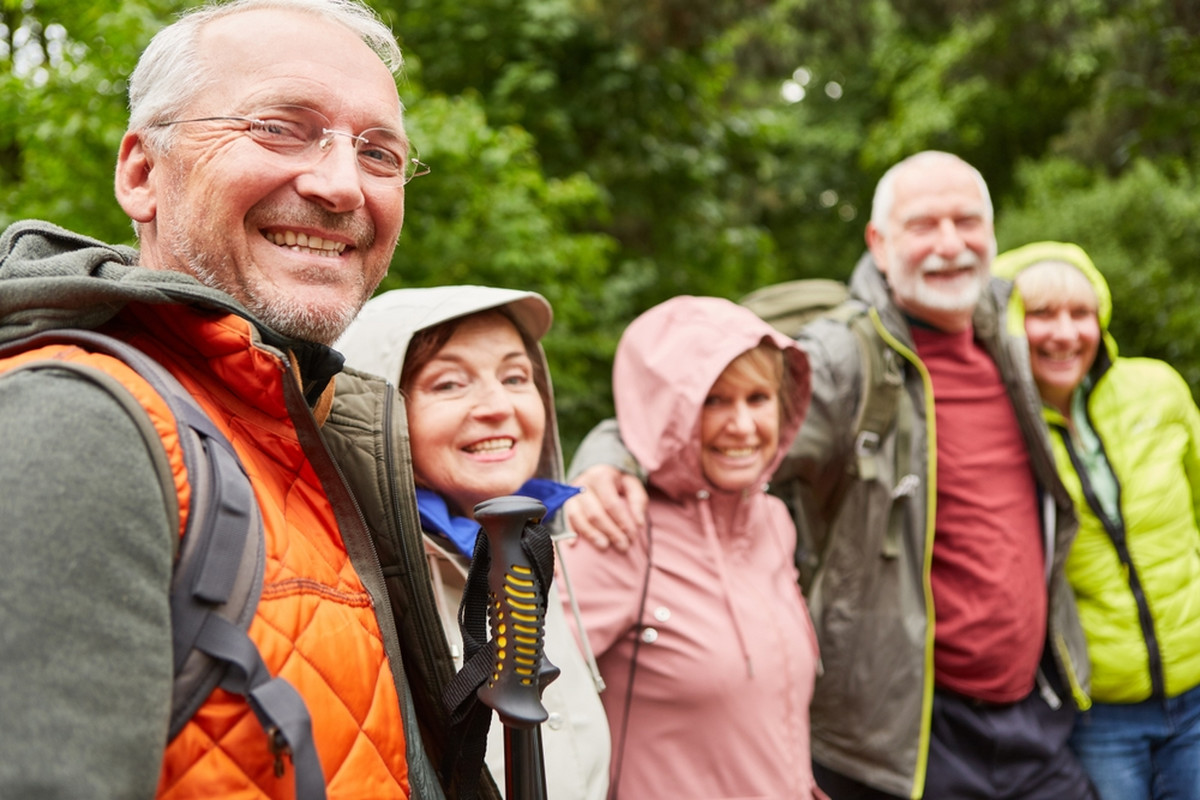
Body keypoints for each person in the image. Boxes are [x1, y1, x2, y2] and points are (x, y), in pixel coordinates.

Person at [0, 1, 489, 798]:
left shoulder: (304, 427)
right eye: (279, 127)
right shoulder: (76, 423)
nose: (341, 186)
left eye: (378, 152)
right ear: (141, 173)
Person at [566, 151, 1098, 799]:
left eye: (967, 221)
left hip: (1034, 715)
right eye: (924, 225)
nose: (950, 244)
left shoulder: (1011, 341)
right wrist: (605, 462)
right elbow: (694, 401)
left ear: (993, 233)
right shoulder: (848, 357)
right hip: (915, 735)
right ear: (878, 243)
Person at [334, 285, 612, 800]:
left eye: (515, 376)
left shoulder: (545, 549)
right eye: (449, 384)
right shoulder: (352, 591)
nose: (497, 406)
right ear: (378, 413)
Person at [558, 295, 824, 799]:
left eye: (758, 399)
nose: (742, 426)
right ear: (668, 412)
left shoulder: (773, 522)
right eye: (714, 401)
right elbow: (519, 705)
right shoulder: (619, 532)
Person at [992, 241, 1200, 800]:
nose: (1065, 333)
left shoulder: (1156, 388)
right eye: (1041, 314)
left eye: (1080, 313)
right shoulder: (998, 426)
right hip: (1098, 713)